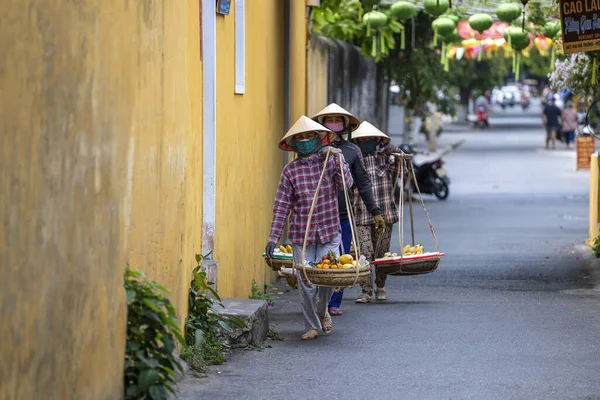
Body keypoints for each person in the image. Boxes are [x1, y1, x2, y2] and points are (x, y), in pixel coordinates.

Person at [265, 115, 353, 341]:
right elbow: (282, 206)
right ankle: (311, 325)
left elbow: (347, 184)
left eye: (308, 136)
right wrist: (273, 237)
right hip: (301, 235)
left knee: (326, 278)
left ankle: (323, 312)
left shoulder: (330, 161)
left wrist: (338, 159)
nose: (304, 141)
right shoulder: (290, 172)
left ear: (317, 139)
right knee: (306, 282)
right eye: (300, 138)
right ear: (294, 144)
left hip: (329, 230)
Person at [311, 104, 384, 316]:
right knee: (318, 259)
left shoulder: (352, 151)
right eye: (329, 119)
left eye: (338, 120)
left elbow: (363, 183)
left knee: (340, 260)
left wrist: (375, 211)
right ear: (322, 123)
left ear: (344, 125)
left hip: (343, 214)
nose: (334, 123)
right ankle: (316, 299)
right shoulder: (313, 149)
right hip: (316, 215)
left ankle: (333, 302)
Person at [350, 121, 399, 303]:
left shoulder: (385, 159)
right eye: (362, 139)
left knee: (381, 253)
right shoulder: (354, 161)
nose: (366, 142)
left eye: (370, 139)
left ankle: (380, 286)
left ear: (377, 141)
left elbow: (404, 167)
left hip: (385, 214)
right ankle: (366, 290)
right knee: (365, 252)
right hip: (362, 213)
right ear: (356, 142)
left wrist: (395, 151)